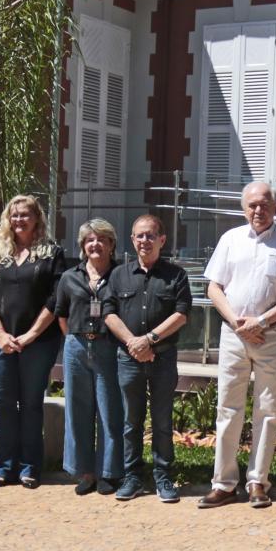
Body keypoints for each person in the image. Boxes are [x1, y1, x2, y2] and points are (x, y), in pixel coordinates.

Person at [198, 182, 276, 509]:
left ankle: (258, 482)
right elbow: (214, 288)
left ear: (275, 207)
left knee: (268, 409)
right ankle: (223, 483)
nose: (257, 210)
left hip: (271, 336)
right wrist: (239, 323)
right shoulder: (230, 239)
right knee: (227, 408)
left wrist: (260, 323)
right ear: (243, 208)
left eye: (264, 204)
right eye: (251, 205)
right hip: (234, 334)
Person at [0, 195, 67, 489]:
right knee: (3, 402)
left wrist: (31, 335)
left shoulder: (51, 254)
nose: (19, 220)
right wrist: (1, 335)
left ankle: (30, 466)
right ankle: (4, 466)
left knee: (31, 404)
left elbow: (55, 299)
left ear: (36, 218)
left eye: (25, 215)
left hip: (38, 341)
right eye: (14, 215)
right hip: (0, 341)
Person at [104, 213, 193, 503]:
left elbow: (181, 314)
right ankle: (132, 477)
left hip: (163, 358)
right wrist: (133, 343)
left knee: (163, 421)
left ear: (162, 240)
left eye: (151, 235)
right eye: (140, 235)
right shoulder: (118, 275)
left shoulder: (176, 275)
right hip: (129, 358)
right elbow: (109, 313)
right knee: (131, 422)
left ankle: (164, 477)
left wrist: (150, 340)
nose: (145, 240)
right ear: (132, 239)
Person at [56, 218, 125, 498]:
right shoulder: (69, 277)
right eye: (89, 240)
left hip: (109, 346)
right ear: (83, 246)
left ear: (111, 245)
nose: (95, 244)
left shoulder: (121, 275)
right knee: (78, 410)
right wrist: (76, 339)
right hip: (76, 345)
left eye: (101, 239)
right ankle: (85, 472)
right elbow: (61, 313)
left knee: (110, 410)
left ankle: (108, 472)